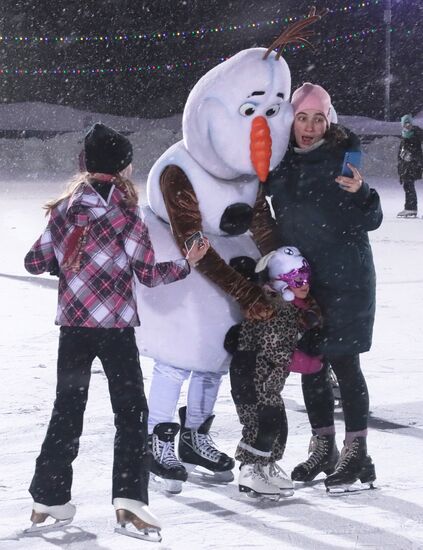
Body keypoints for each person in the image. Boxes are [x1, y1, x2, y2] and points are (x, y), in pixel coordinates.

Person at [24, 123, 209, 539]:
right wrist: (187, 263)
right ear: (124, 168)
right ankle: (129, 501)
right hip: (116, 330)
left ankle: (49, 496)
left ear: (85, 165)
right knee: (130, 413)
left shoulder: (63, 212)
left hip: (73, 328)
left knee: (67, 410)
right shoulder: (127, 216)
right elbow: (146, 273)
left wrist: (69, 263)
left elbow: (34, 262)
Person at [265, 83, 383, 491]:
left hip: (348, 281)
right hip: (305, 283)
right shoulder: (280, 167)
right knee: (311, 365)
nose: (310, 127)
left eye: (318, 119)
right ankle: (323, 447)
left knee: (345, 366)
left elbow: (373, 219)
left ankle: (357, 452)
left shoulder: (342, 163)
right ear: (291, 121)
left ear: (328, 122)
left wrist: (363, 192)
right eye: (302, 118)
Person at [224, 246, 322, 499]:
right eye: (297, 279)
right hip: (252, 376)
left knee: (278, 425)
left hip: (268, 382)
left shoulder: (290, 307)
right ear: (281, 281)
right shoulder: (270, 306)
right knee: (261, 425)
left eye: (306, 278)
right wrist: (307, 363)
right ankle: (250, 470)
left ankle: (266, 465)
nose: (305, 284)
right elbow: (274, 348)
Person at [396, 113, 423, 218]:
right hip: (406, 166)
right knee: (407, 185)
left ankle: (411, 208)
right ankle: (410, 208)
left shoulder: (415, 134)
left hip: (413, 165)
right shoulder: (405, 135)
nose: (407, 126)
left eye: (408, 123)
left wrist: (411, 156)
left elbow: (416, 151)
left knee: (408, 185)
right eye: (405, 124)